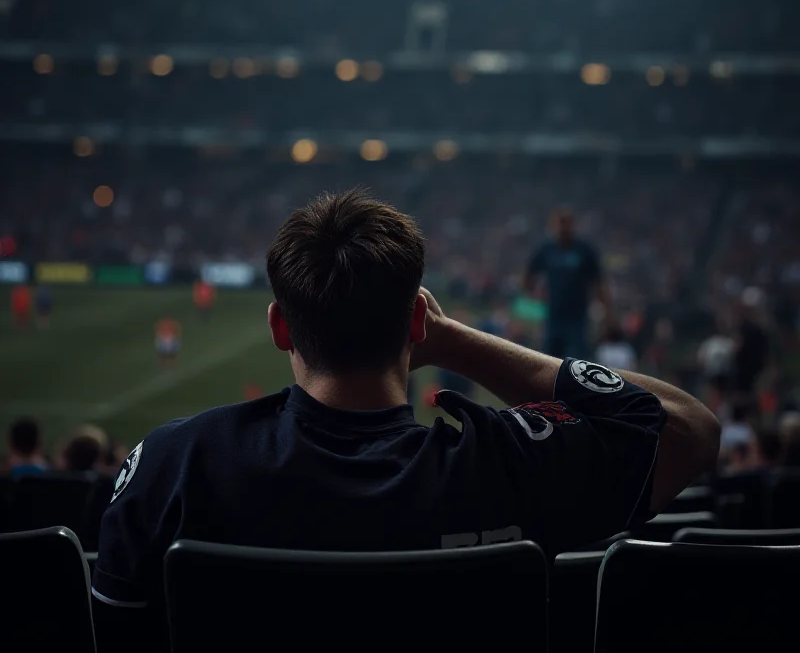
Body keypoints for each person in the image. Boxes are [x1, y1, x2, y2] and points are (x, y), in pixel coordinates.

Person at [92, 190, 719, 647]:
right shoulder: (504, 467)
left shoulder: (175, 465)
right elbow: (687, 428)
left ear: (281, 328)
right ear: (416, 323)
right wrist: (453, 341)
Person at [524, 207, 610, 359]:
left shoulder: (584, 250)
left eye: (566, 223)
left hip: (577, 319)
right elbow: (529, 275)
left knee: (577, 362)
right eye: (560, 223)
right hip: (553, 318)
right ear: (553, 225)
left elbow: (598, 282)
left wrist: (607, 312)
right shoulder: (546, 250)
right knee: (549, 361)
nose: (563, 227)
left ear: (573, 225)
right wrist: (534, 299)